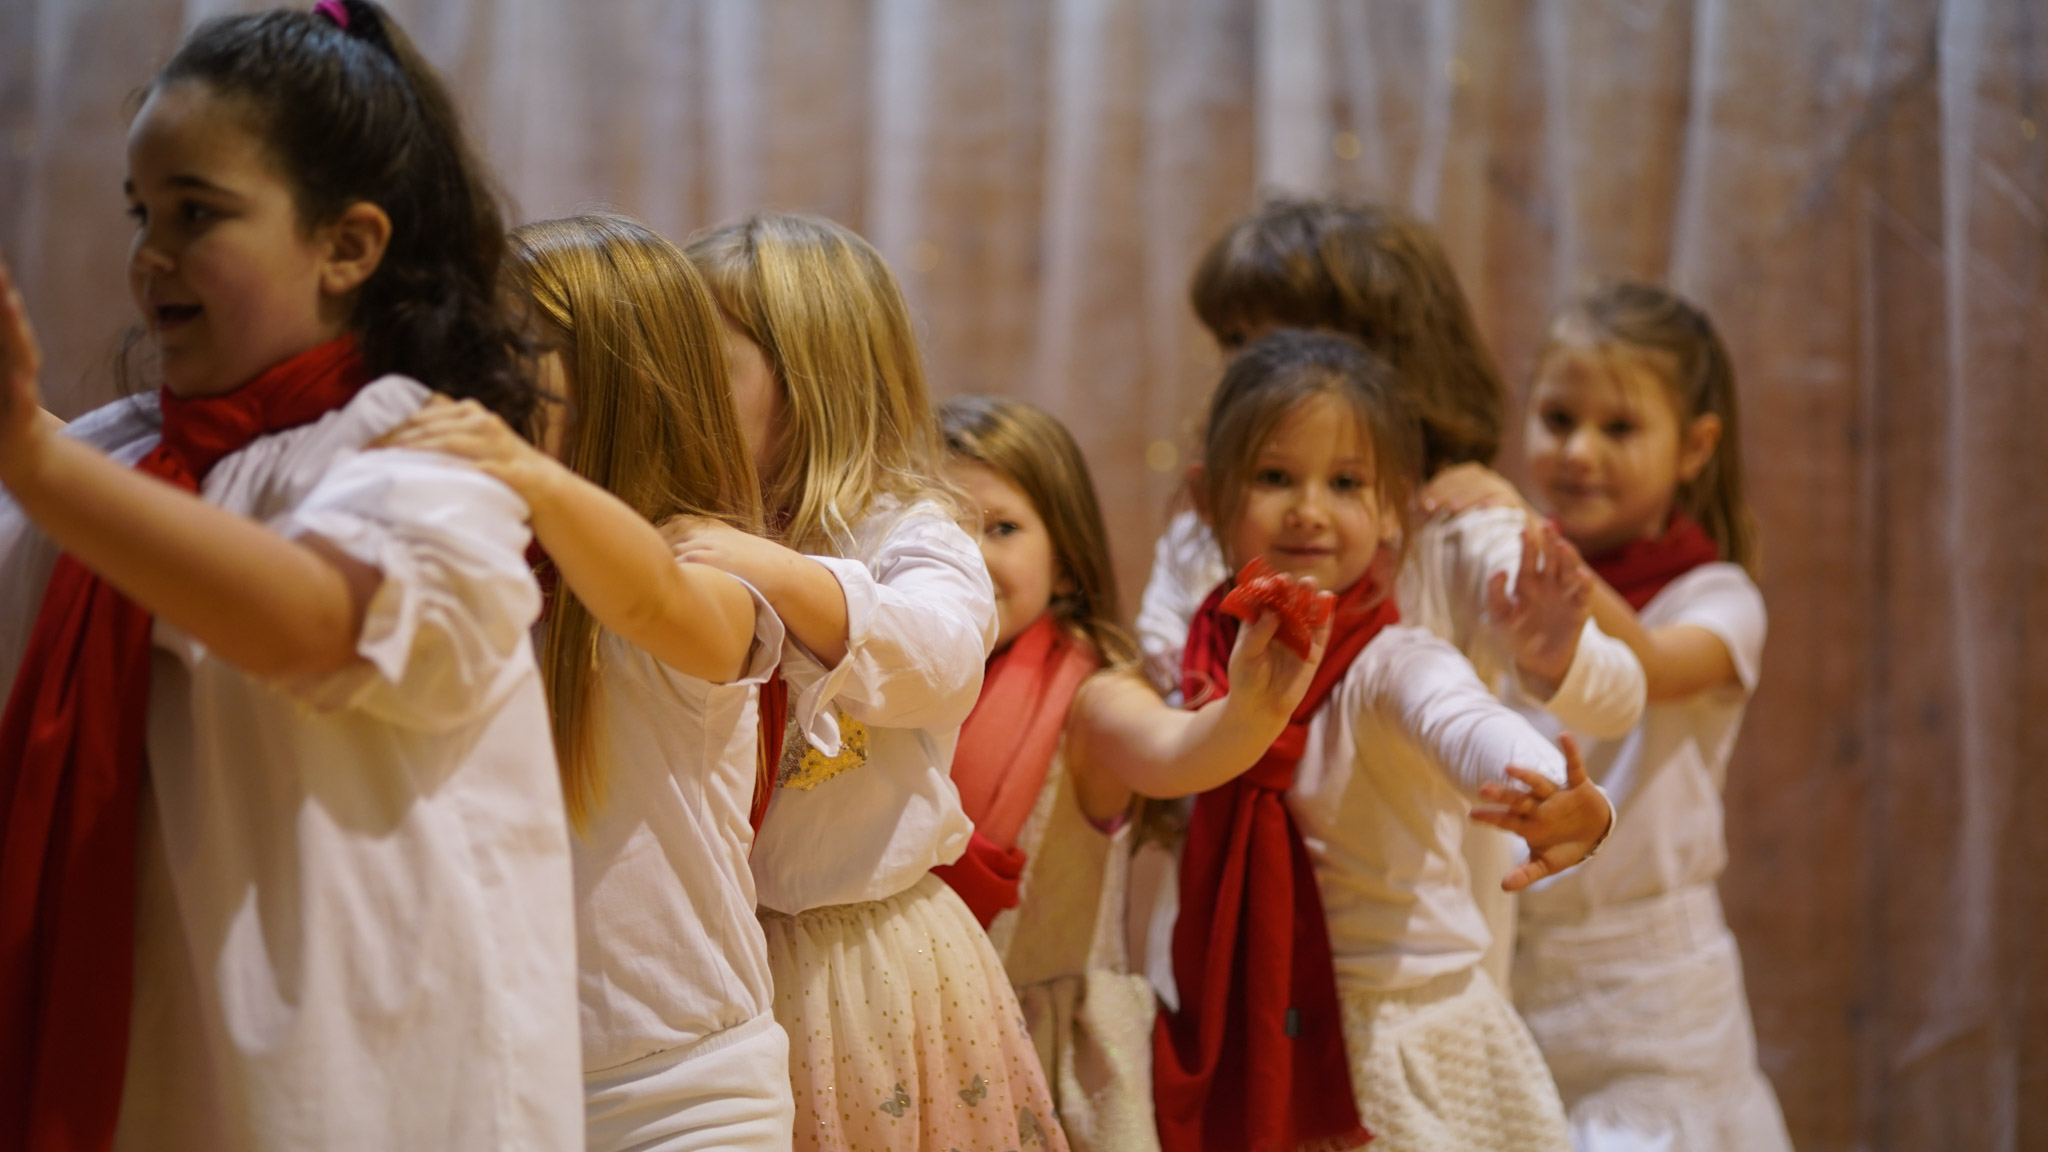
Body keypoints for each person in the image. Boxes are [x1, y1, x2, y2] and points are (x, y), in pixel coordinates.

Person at [0, 3, 579, 1148]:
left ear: (347, 246)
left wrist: (32, 457)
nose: (149, 255)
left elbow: (315, 622)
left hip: (351, 1091)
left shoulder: (414, 454)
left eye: (197, 212)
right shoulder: (113, 456)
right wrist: (39, 462)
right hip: (149, 1073)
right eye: (142, 212)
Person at [1137, 196, 1646, 991]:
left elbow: (1613, 698)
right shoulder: (1205, 534)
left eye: (1269, 339)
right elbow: (1160, 704)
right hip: (1215, 971)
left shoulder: (1460, 529)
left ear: (1380, 352)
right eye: (1231, 341)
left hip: (1400, 983)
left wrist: (1555, 659)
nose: (1240, 369)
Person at [378, 213, 796, 1151]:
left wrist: (524, 472)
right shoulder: (470, 565)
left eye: (510, 352)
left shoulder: (710, 572)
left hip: (685, 1096)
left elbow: (650, 602)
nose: (478, 378)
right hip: (486, 1089)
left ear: (619, 386)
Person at [1152, 329, 1613, 1152]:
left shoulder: (1396, 660)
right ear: (1208, 498)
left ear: (1394, 506)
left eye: (1345, 483)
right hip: (1246, 1027)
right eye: (1274, 477)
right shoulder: (1200, 655)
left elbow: (1462, 721)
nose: (1309, 508)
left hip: (1399, 1037)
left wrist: (1553, 788)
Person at [672, 211, 1062, 1151]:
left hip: (866, 968)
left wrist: (779, 572)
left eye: (703, 368)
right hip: (720, 960)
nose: (672, 395)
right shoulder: (690, 522)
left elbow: (941, 659)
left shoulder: (907, 529)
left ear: (811, 383)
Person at [1428, 280, 1792, 1151]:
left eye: (1619, 428)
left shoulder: (1720, 598)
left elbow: (1649, 667)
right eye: (1558, 420)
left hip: (1655, 988)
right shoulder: (1501, 573)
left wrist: (1522, 525)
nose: (1579, 452)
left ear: (1695, 447)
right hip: (1513, 958)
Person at [938, 394, 1332, 1152]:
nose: (966, 555)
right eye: (938, 526)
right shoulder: (879, 698)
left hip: (1044, 1069)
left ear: (1064, 565)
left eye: (1001, 528)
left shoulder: (1091, 700)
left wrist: (1248, 714)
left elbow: (1175, 751)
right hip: (910, 1046)